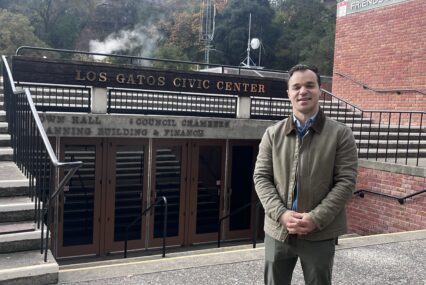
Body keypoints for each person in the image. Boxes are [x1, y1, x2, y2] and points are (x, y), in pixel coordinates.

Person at [253, 64, 358, 285]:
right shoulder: (272, 134)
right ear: (288, 93)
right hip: (278, 230)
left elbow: (346, 182)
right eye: (296, 86)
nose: (303, 91)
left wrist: (316, 218)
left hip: (320, 231)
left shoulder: (341, 134)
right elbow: (261, 178)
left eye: (310, 85)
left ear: (320, 90)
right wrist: (281, 213)